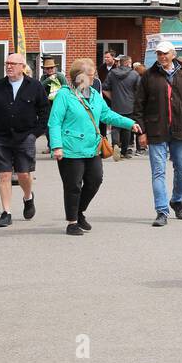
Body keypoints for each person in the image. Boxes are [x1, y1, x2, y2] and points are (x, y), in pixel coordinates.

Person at [48, 58, 136, 236]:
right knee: (73, 185)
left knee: (95, 180)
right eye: (90, 75)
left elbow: (107, 114)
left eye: (93, 74)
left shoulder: (95, 95)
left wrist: (129, 123)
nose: (94, 77)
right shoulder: (64, 95)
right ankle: (72, 222)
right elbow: (54, 122)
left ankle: (79, 211)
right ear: (78, 76)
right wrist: (56, 146)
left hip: (92, 147)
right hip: (70, 148)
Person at [132, 41, 182, 227]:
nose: (162, 57)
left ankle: (177, 200)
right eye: (159, 54)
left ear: (173, 54)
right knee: (158, 171)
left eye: (165, 53)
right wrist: (141, 131)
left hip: (180, 128)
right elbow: (139, 105)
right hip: (156, 129)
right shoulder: (149, 75)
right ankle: (161, 211)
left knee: (181, 169)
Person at [0, 53, 49, 228]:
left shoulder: (34, 86)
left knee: (23, 173)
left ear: (22, 67)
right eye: (7, 63)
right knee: (4, 175)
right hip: (0, 137)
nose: (9, 66)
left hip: (25, 135)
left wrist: (35, 133)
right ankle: (7, 212)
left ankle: (28, 197)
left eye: (13, 63)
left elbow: (44, 110)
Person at [104, 55, 140, 158]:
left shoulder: (112, 73)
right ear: (129, 63)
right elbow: (139, 91)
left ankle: (115, 144)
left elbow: (105, 88)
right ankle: (124, 151)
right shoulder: (134, 74)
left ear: (120, 63)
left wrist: (112, 98)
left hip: (116, 104)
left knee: (115, 126)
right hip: (130, 104)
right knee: (127, 127)